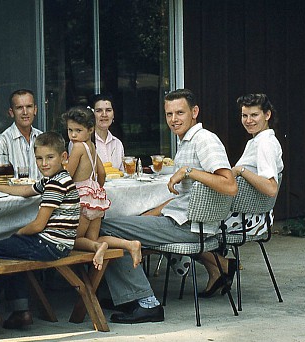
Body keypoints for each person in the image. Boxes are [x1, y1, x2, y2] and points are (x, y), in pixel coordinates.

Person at [99, 88, 238, 324]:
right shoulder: (186, 142)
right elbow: (183, 197)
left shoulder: (204, 140)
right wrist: (150, 214)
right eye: (169, 114)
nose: (174, 119)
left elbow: (229, 185)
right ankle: (127, 295)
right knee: (120, 224)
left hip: (191, 226)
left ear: (194, 112)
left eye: (180, 113)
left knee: (107, 229)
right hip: (183, 219)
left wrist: (187, 171)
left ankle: (145, 302)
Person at [0, 132, 80, 335]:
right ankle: (21, 311)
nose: (43, 163)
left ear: (64, 157)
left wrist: (18, 233)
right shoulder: (57, 178)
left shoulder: (55, 184)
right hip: (59, 243)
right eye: (39, 158)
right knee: (10, 254)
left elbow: (38, 225)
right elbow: (26, 190)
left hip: (50, 244)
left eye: (49, 157)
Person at [198, 93, 283, 297]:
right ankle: (218, 271)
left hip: (249, 218)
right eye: (244, 116)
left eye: (254, 115)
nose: (248, 121)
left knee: (187, 226)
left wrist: (240, 171)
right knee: (189, 218)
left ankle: (226, 265)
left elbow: (271, 188)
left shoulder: (265, 144)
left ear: (267, 115)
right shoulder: (257, 140)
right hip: (244, 213)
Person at [62, 107, 142, 270]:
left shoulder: (77, 147)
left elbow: (67, 175)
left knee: (72, 240)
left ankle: (98, 248)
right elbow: (102, 172)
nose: (73, 135)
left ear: (91, 129)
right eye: (70, 130)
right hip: (95, 200)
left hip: (82, 199)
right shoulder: (91, 146)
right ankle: (129, 244)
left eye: (78, 130)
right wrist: (96, 189)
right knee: (93, 239)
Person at [0, 89, 42, 180]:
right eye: (19, 108)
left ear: (35, 110)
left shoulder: (43, 138)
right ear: (11, 112)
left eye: (29, 106)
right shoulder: (2, 141)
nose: (25, 112)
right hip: (13, 194)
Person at [91, 94, 125, 170]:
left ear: (113, 115)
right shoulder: (83, 142)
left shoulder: (117, 144)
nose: (104, 114)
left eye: (108, 110)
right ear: (92, 115)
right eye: (99, 111)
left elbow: (123, 174)